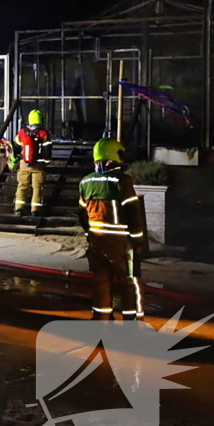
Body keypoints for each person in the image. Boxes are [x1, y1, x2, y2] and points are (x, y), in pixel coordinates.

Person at [78, 138, 146, 321]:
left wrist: (89, 236)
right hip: (120, 242)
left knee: (101, 282)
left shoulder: (85, 182)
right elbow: (133, 213)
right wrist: (138, 240)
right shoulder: (123, 181)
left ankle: (101, 320)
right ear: (113, 155)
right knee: (129, 282)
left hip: (96, 241)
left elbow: (82, 214)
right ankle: (133, 323)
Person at [13, 109, 53, 217]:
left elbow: (16, 147)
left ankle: (18, 209)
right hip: (38, 165)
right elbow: (47, 150)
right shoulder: (43, 133)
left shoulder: (22, 132)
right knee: (37, 188)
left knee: (22, 186)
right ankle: (35, 210)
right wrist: (46, 162)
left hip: (24, 164)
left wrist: (17, 159)